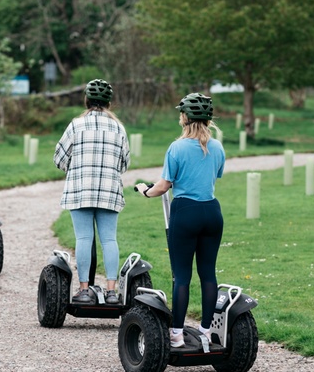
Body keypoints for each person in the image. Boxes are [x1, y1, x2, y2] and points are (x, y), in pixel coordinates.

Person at [135, 93, 225, 348]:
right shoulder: (217, 146)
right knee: (208, 273)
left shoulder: (177, 147)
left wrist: (146, 190)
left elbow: (164, 186)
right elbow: (214, 175)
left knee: (182, 276)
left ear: (185, 117)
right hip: (212, 212)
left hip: (185, 212)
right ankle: (206, 332)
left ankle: (175, 335)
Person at [54, 79, 130, 304]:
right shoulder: (118, 127)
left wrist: (75, 167)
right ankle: (112, 291)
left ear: (86, 100)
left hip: (80, 190)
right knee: (109, 240)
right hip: (109, 191)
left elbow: (59, 159)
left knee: (84, 238)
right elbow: (124, 163)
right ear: (109, 102)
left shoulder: (76, 125)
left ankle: (85, 290)